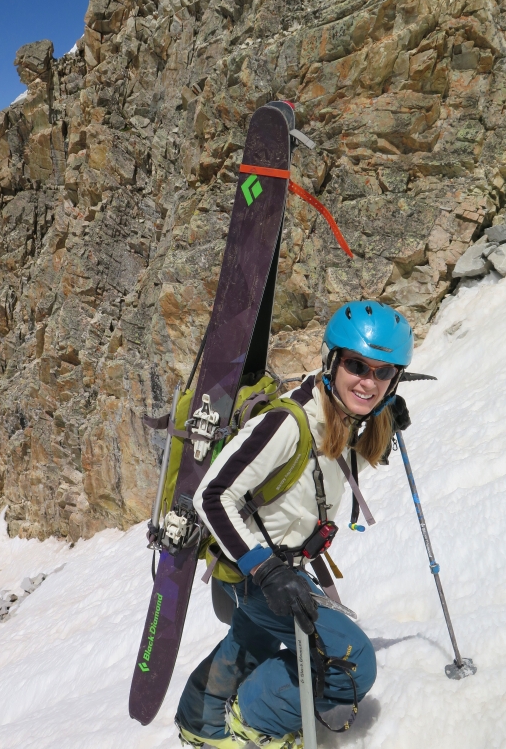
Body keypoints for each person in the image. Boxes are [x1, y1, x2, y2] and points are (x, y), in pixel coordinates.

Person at [175, 300, 414, 749]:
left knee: (257, 639)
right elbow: (212, 495)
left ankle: (199, 722)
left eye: (384, 373)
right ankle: (253, 723)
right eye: (357, 365)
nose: (369, 381)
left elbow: (342, 454)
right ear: (331, 361)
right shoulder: (288, 422)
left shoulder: (342, 413)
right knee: (354, 662)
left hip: (275, 569)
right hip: (254, 572)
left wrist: (383, 414)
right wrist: (265, 568)